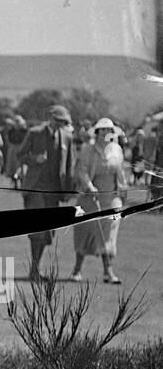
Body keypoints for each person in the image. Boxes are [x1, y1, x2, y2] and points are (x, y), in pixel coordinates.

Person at [14, 104, 76, 278]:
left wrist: (68, 191)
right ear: (50, 118)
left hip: (54, 191)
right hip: (35, 188)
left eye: (63, 122)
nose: (59, 124)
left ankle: (36, 268)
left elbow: (70, 165)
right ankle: (34, 270)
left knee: (48, 233)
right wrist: (35, 159)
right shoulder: (35, 132)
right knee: (37, 230)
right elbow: (20, 155)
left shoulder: (67, 137)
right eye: (57, 120)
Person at [71, 117, 129, 283]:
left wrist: (123, 191)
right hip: (90, 197)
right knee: (86, 231)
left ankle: (108, 272)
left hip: (110, 198)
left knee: (109, 234)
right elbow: (81, 170)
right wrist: (90, 187)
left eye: (108, 130)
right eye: (102, 130)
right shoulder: (87, 149)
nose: (105, 133)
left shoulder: (116, 150)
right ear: (97, 132)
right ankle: (77, 270)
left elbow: (121, 174)